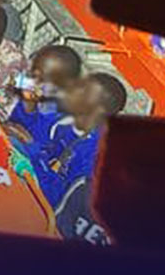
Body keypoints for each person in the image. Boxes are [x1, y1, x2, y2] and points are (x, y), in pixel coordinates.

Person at [25, 74, 127, 211]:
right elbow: (38, 138)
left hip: (47, 207)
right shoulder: (66, 120)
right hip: (37, 179)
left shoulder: (93, 157)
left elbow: (59, 201)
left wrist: (33, 151)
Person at [5, 44, 84, 145]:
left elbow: (50, 157)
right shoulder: (40, 101)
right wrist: (28, 105)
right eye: (32, 75)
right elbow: (15, 124)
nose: (32, 83)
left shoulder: (66, 125)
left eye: (41, 79)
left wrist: (29, 144)